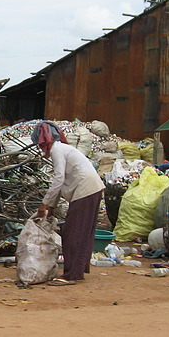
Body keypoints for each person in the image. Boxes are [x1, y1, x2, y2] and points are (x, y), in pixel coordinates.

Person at [34, 120, 104, 286]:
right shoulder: (62, 149)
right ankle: (78, 270)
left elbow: (59, 179)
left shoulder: (57, 150)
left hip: (85, 190)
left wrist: (44, 204)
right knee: (83, 232)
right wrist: (51, 206)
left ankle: (72, 274)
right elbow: (61, 181)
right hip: (91, 189)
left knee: (73, 233)